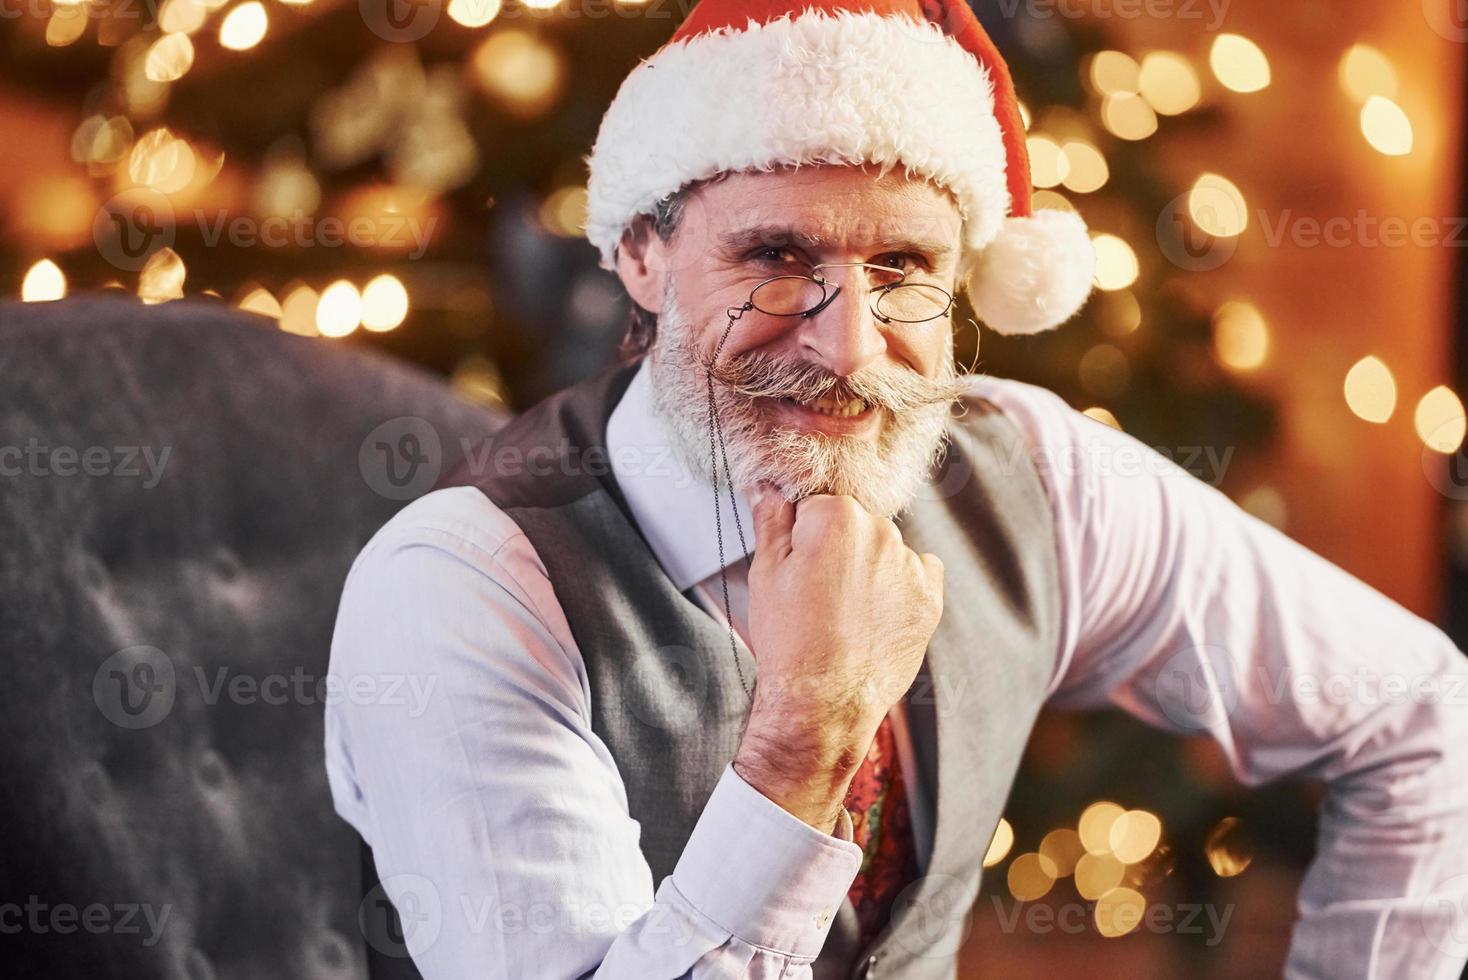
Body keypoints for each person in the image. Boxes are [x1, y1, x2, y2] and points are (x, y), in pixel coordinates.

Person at [324, 2, 1468, 977]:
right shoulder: (459, 590)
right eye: (778, 258)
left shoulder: (1033, 475)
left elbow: (1419, 711)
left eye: (902, 268)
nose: (851, 347)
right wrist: (801, 739)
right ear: (640, 251)